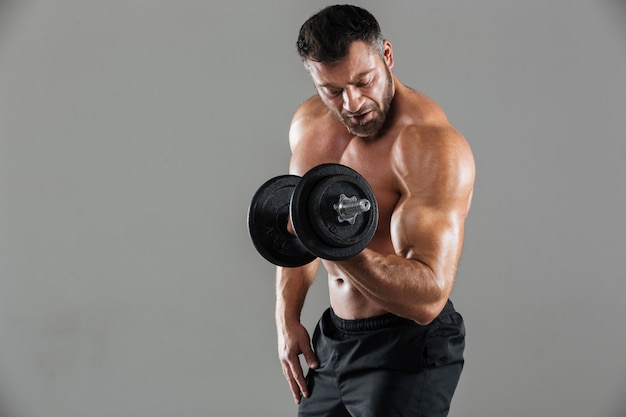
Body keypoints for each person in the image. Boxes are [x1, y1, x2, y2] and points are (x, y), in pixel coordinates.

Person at [276, 5, 475, 417]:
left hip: (407, 348)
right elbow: (299, 229)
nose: (351, 103)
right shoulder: (308, 127)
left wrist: (333, 244)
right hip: (333, 341)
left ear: (386, 55)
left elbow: (429, 298)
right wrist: (287, 316)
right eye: (331, 90)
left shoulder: (428, 145)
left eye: (363, 81)